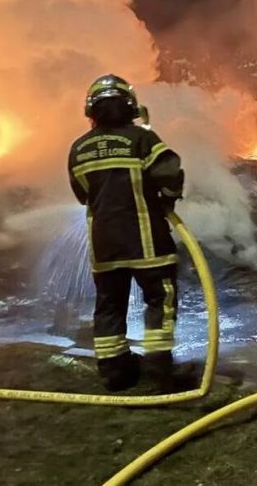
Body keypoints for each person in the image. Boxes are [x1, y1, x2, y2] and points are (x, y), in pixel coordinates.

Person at [68, 74, 185, 392]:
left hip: (104, 248)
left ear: (91, 110)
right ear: (130, 105)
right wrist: (167, 200)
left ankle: (114, 371)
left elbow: (82, 195)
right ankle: (159, 369)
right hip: (148, 242)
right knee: (161, 298)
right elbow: (171, 173)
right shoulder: (142, 139)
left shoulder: (78, 149)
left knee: (109, 304)